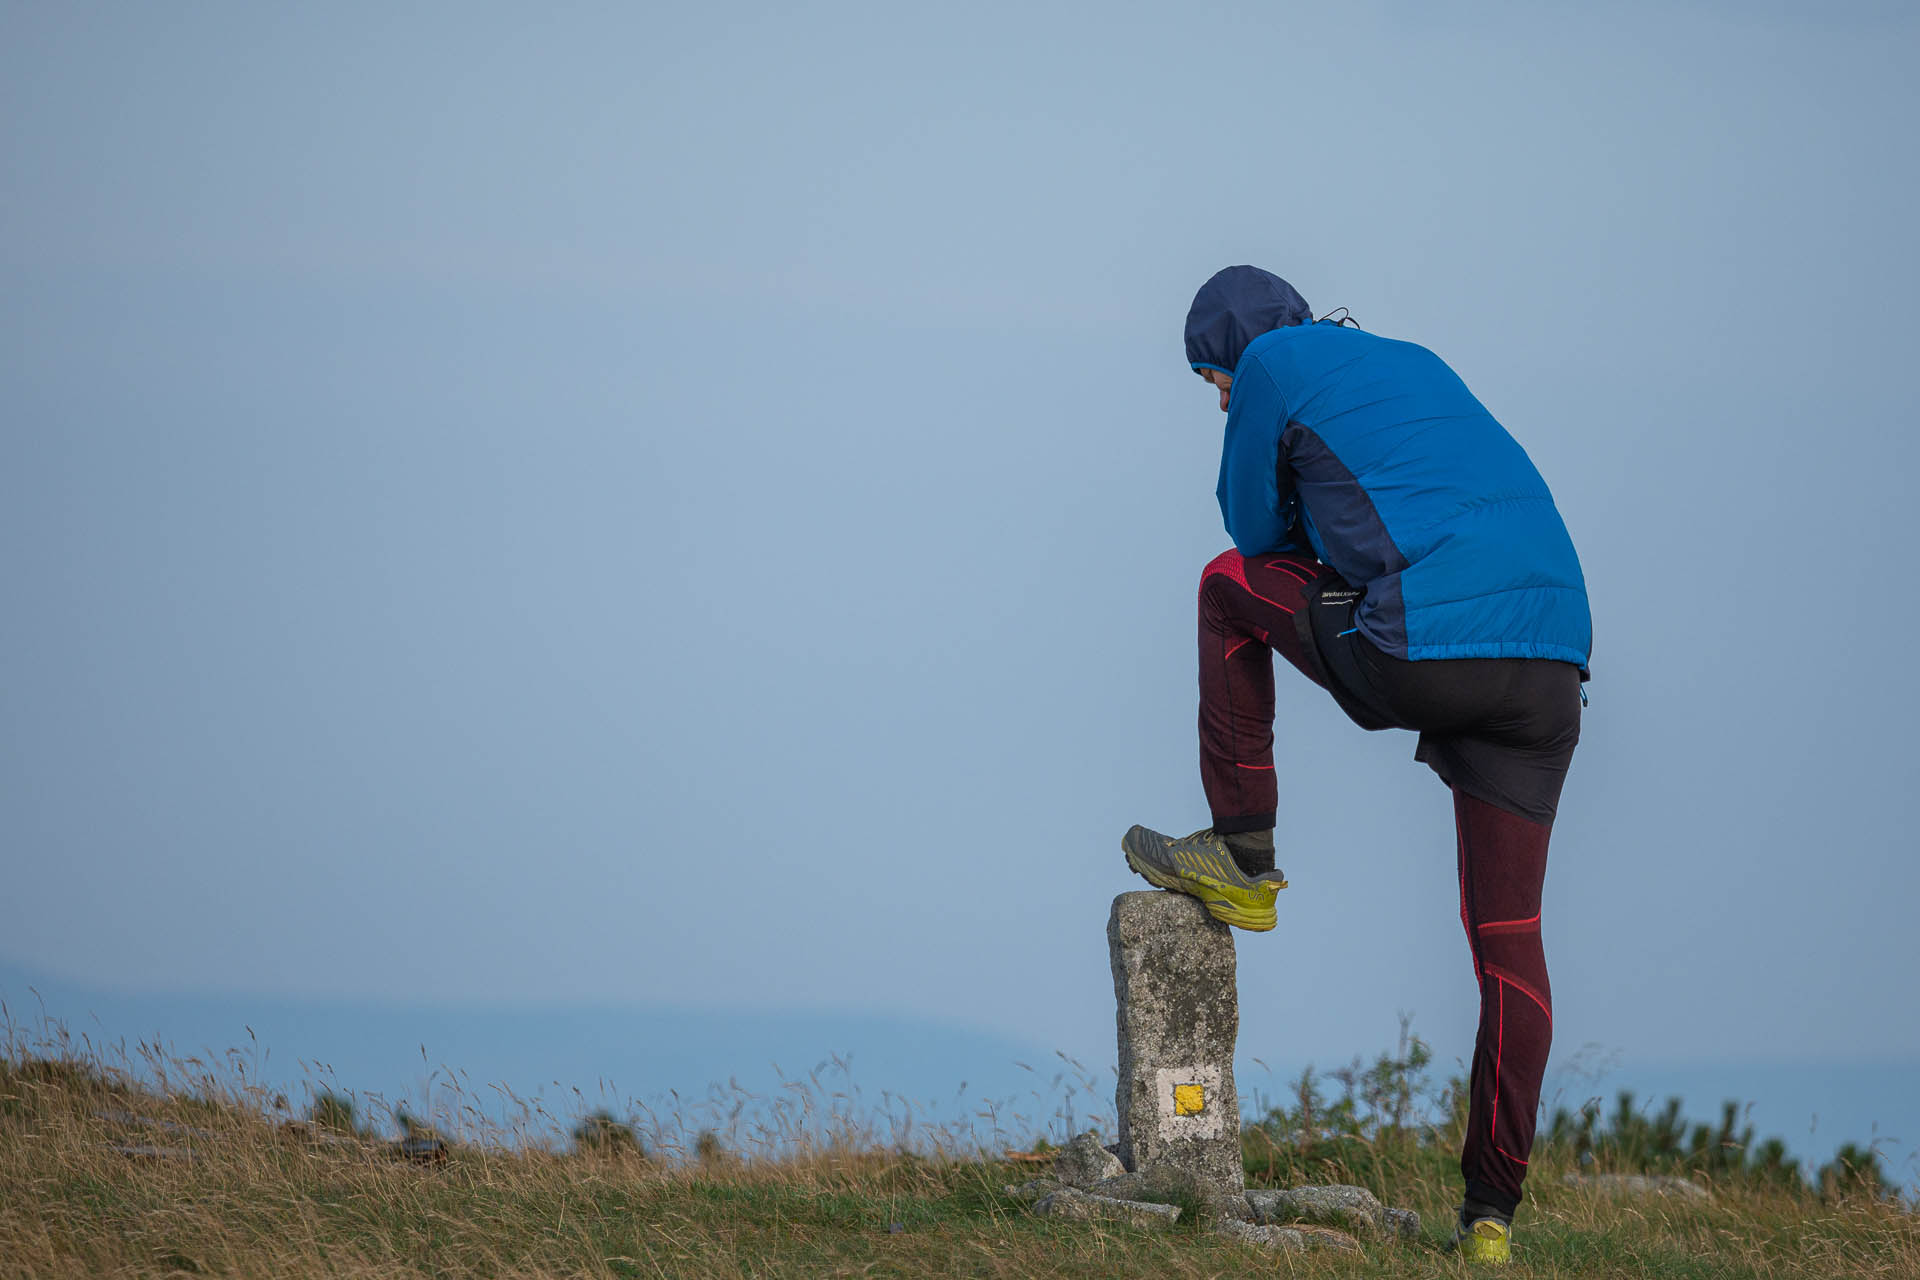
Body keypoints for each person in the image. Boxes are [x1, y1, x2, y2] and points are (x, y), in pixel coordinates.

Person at [1122, 265, 1592, 1265]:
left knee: (1223, 584)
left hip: (1429, 643)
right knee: (1510, 943)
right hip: (1551, 663)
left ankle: (1244, 855)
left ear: (1233, 348)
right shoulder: (1407, 360)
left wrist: (1260, 437)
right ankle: (1491, 1218)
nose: (1217, 394)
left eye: (1211, 377)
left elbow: (1252, 529)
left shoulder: (1272, 366)